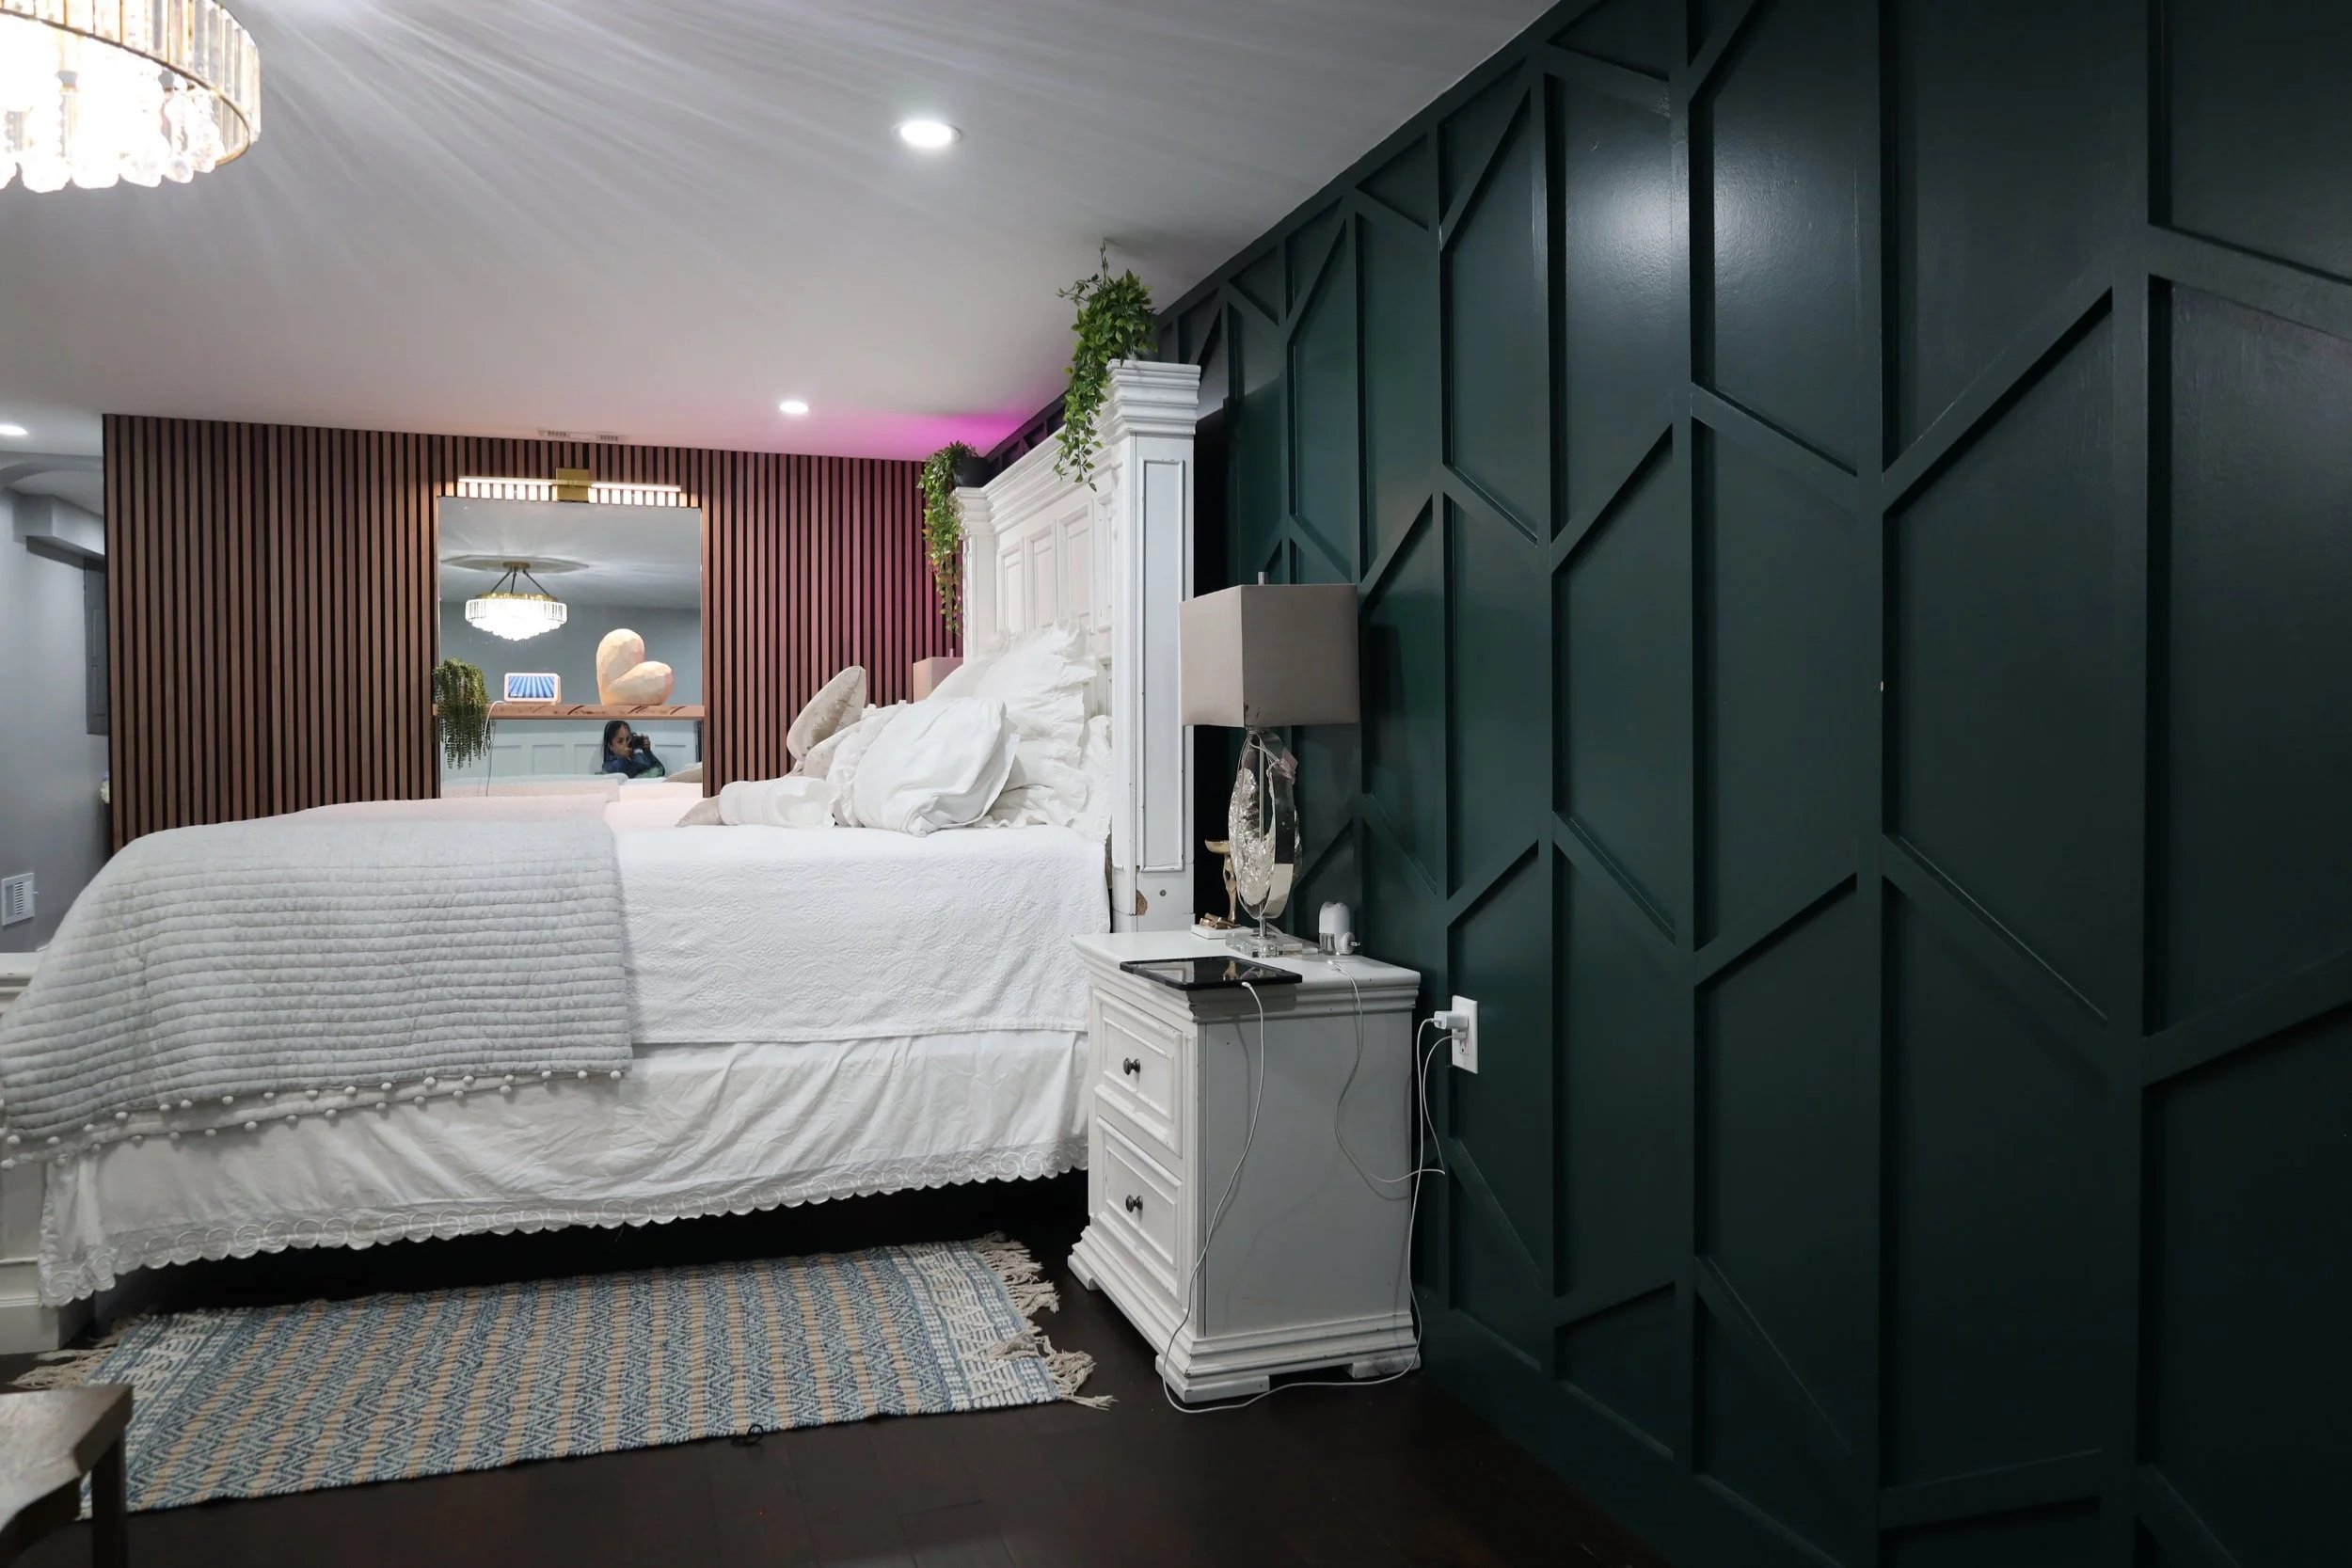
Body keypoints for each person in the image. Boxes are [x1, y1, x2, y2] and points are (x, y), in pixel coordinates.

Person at [600, 720, 664, 779]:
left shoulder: (639, 757)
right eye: (620, 741)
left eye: (628, 739)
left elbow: (661, 771)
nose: (625, 744)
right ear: (611, 746)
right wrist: (622, 757)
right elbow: (622, 778)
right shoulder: (609, 765)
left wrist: (648, 752)